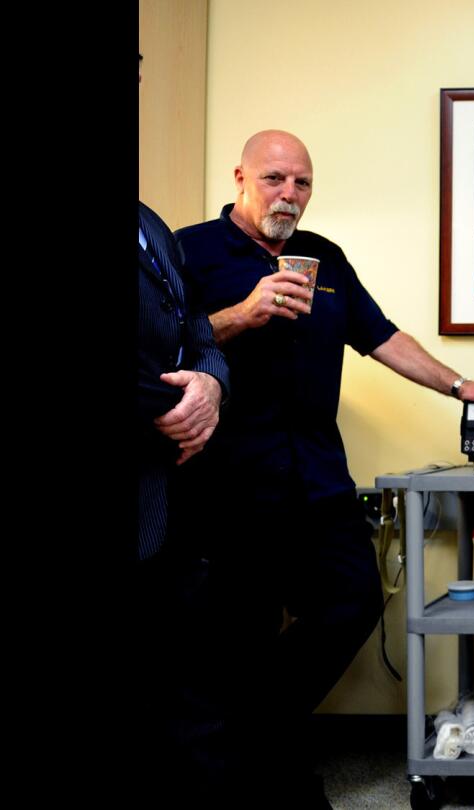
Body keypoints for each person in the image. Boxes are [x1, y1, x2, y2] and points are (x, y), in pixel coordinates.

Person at [174, 129, 474, 806]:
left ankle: (254, 734)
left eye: (302, 182)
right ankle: (265, 772)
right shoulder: (190, 251)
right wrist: (243, 315)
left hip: (317, 481)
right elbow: (165, 343)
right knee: (238, 635)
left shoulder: (324, 257)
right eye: (275, 179)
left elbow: (381, 336)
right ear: (240, 177)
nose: (290, 195)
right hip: (226, 486)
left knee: (353, 601)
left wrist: (461, 386)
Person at [137, 52, 231, 801]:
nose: (289, 191)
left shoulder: (152, 228)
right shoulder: (202, 237)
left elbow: (195, 329)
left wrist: (209, 384)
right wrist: (170, 404)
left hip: (173, 502)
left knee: (184, 693)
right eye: (274, 177)